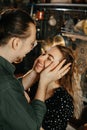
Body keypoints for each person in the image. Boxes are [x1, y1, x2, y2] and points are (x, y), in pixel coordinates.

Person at [0, 8, 71, 130]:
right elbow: (32, 126)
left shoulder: (63, 101)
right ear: (16, 43)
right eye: (31, 44)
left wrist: (35, 73)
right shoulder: (6, 84)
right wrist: (43, 83)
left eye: (49, 58)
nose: (31, 49)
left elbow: (12, 88)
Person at [29, 44, 83, 130]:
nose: (41, 58)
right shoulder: (36, 84)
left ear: (61, 69)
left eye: (49, 59)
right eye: (44, 54)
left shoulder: (64, 101)